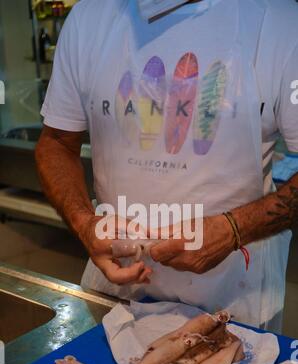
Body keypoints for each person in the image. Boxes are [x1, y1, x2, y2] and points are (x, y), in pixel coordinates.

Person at [35, 0, 298, 333]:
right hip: (115, 295)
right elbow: (56, 142)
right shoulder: (89, 17)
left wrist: (233, 230)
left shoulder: (278, 20)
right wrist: (85, 224)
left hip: (234, 304)